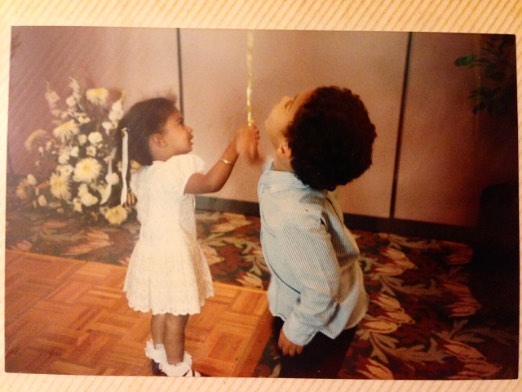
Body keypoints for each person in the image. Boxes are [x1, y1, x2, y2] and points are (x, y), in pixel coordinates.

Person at [117, 97, 259, 377]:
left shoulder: (145, 174)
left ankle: (159, 352)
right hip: (173, 254)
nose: (189, 128)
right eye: (180, 123)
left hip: (152, 251)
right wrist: (234, 148)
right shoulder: (172, 171)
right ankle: (177, 371)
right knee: (176, 319)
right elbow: (211, 182)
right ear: (159, 140)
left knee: (161, 308)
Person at [257, 86, 376, 378]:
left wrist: (298, 331)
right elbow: (276, 173)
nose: (284, 96)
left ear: (286, 148)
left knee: (304, 374)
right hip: (305, 287)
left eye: (290, 102)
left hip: (321, 323)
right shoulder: (296, 169)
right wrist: (254, 157)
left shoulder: (296, 218)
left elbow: (323, 287)